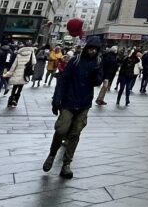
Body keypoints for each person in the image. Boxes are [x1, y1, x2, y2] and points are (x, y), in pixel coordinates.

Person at [44, 36, 104, 179]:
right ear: (86, 48)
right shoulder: (75, 61)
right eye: (90, 48)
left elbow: (97, 82)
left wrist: (97, 72)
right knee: (61, 130)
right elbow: (63, 80)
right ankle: (52, 154)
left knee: (75, 134)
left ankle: (66, 164)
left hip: (84, 103)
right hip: (69, 101)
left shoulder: (98, 62)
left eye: (95, 49)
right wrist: (56, 99)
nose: (92, 51)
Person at [5, 41, 36, 108]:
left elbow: (14, 64)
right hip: (25, 73)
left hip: (17, 72)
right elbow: (34, 62)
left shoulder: (19, 53)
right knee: (20, 88)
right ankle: (15, 101)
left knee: (14, 87)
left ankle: (10, 101)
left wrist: (10, 72)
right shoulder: (31, 53)